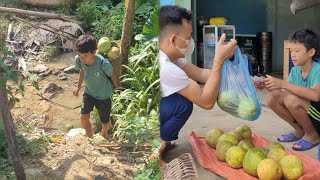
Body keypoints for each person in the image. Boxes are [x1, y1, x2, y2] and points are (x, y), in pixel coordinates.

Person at [158, 5, 237, 159]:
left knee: (179, 100)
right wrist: (218, 60)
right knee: (182, 104)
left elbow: (200, 73)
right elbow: (206, 102)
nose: (190, 42)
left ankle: (163, 139)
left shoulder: (172, 57)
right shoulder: (167, 68)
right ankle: (159, 141)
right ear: (173, 39)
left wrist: (234, 79)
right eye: (188, 38)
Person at [255, 28, 320, 151]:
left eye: (297, 51)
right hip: (308, 111)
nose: (293, 55)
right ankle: (300, 131)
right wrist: (268, 85)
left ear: (311, 52)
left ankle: (313, 135)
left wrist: (283, 84)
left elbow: (316, 95)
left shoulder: (318, 70)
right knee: (273, 98)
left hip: (318, 116)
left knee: (292, 100)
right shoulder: (295, 70)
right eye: (291, 51)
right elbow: (284, 95)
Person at [73, 34, 114, 139]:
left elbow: (111, 74)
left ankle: (104, 134)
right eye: (80, 55)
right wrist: (78, 87)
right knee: (83, 117)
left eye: (85, 56)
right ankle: (90, 137)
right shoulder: (78, 60)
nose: (82, 59)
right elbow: (82, 71)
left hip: (104, 96)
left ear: (94, 52)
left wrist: (116, 87)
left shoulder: (103, 64)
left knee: (104, 121)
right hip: (89, 93)